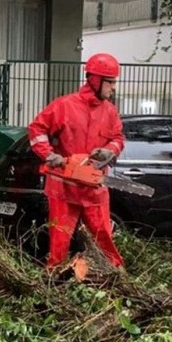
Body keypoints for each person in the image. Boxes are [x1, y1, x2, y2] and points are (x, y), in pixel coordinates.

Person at [27, 53, 126, 270]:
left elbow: (118, 138)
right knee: (59, 243)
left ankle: (117, 277)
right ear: (95, 80)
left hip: (94, 187)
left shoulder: (110, 112)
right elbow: (37, 130)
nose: (113, 88)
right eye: (110, 83)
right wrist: (49, 155)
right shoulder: (64, 106)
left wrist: (109, 151)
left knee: (104, 240)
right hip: (64, 187)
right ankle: (55, 281)